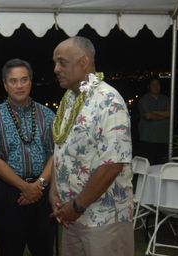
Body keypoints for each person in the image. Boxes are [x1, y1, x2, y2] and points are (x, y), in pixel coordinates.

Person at [50, 36, 134, 256]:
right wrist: (54, 192)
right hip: (72, 217)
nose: (56, 69)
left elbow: (112, 164)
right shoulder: (70, 99)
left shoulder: (109, 100)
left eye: (62, 62)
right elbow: (61, 149)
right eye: (55, 63)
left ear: (84, 62)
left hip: (103, 219)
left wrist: (77, 206)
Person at [0, 58, 56, 256]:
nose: (19, 86)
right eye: (13, 81)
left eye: (24, 80)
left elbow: (56, 154)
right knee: (10, 250)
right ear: (5, 85)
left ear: (31, 81)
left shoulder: (47, 115)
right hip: (9, 194)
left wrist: (38, 185)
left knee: (45, 249)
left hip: (42, 191)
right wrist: (25, 188)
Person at [138, 77, 170, 164]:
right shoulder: (144, 100)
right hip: (148, 139)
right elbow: (148, 116)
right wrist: (164, 115)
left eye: (158, 84)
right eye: (153, 85)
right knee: (149, 166)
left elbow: (170, 114)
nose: (156, 87)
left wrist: (155, 112)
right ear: (149, 87)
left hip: (164, 139)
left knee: (163, 166)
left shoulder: (166, 99)